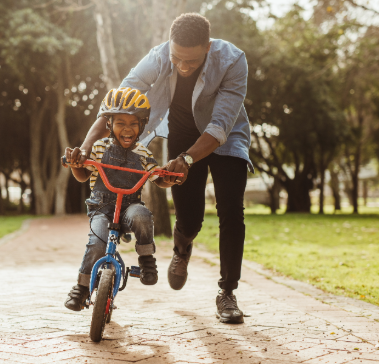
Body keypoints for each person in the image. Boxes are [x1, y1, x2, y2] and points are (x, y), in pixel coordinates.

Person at [65, 13, 253, 324]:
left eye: (191, 61)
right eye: (177, 58)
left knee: (231, 209)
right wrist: (85, 149)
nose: (182, 66)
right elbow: (116, 105)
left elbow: (220, 125)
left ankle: (227, 292)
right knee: (190, 217)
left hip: (226, 135)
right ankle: (182, 248)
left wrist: (188, 159)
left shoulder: (233, 61)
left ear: (208, 47)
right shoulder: (157, 57)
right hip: (182, 133)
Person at [62, 87, 175, 312]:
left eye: (134, 124)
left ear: (142, 126)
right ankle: (82, 287)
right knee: (97, 242)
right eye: (120, 122)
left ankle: (146, 259)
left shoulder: (143, 154)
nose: (127, 129)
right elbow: (84, 175)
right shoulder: (98, 148)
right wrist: (76, 165)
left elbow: (156, 178)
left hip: (129, 208)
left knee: (142, 216)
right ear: (109, 125)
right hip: (101, 209)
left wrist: (169, 178)